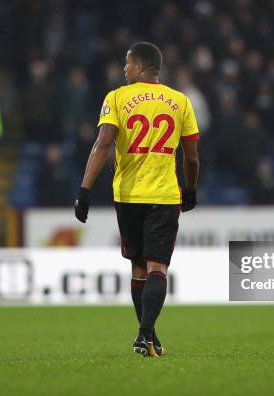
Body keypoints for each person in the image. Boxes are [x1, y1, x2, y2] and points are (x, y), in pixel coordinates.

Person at [73, 42, 200, 357]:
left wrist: (85, 189)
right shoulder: (180, 101)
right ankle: (146, 334)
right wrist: (192, 188)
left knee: (139, 268)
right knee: (158, 267)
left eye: (127, 64)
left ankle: (146, 335)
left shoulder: (116, 98)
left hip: (127, 195)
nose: (124, 68)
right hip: (164, 194)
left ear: (141, 66)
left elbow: (103, 143)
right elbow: (192, 156)